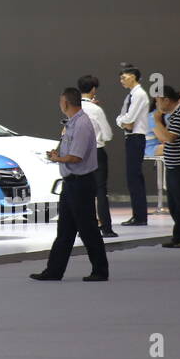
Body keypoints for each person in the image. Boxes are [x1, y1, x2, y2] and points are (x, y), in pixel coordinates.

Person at [31, 88, 110, 282]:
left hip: (80, 183)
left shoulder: (81, 124)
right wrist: (58, 156)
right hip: (72, 183)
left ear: (65, 103)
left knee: (88, 229)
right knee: (65, 230)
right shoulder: (73, 123)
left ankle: (100, 270)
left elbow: (76, 156)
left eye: (60, 101)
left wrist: (58, 158)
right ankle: (54, 271)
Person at [153, 85, 180, 248]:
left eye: (158, 100)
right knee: (175, 204)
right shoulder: (173, 114)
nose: (156, 104)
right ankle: (179, 236)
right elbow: (163, 136)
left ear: (166, 100)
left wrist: (157, 121)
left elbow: (169, 138)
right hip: (174, 164)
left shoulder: (179, 114)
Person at [76, 74, 116, 238]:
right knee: (100, 191)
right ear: (93, 89)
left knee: (81, 191)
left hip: (78, 153)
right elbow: (107, 135)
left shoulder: (74, 107)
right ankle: (106, 227)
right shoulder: (96, 109)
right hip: (96, 151)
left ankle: (83, 228)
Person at [115, 63, 152, 226]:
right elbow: (122, 119)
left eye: (124, 77)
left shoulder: (139, 95)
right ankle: (139, 215)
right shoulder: (132, 95)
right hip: (132, 137)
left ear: (133, 76)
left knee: (134, 178)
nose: (121, 81)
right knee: (133, 178)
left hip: (136, 137)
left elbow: (129, 120)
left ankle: (140, 216)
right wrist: (122, 122)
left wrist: (123, 121)